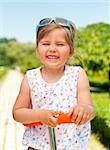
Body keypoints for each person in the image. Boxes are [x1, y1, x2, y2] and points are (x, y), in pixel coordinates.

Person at [13, 17, 96, 150]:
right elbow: (17, 113)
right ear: (37, 49)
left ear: (71, 50)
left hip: (73, 145)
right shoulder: (30, 78)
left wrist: (85, 110)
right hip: (38, 146)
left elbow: (90, 108)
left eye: (60, 44)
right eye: (45, 44)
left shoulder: (78, 74)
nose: (52, 49)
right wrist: (39, 115)